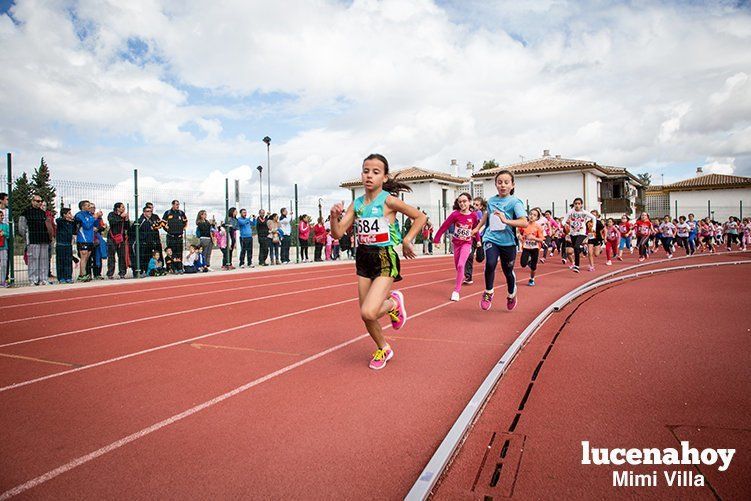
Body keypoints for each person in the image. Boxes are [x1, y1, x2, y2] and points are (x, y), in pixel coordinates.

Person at [330, 153, 426, 370]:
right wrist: (333, 216)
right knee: (366, 315)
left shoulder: (389, 200)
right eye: (366, 171)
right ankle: (384, 347)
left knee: (369, 311)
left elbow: (420, 217)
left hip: (384, 257)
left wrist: (408, 240)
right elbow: (337, 234)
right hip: (363, 258)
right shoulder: (356, 204)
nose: (369, 176)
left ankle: (393, 303)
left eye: (375, 172)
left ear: (384, 177)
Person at [472, 170, 528, 311]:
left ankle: (511, 294)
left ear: (512, 185)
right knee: (490, 264)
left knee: (507, 270)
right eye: (500, 182)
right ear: (496, 184)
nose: (503, 185)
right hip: (491, 238)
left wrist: (506, 220)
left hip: (508, 242)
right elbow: (487, 215)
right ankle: (488, 292)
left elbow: (524, 222)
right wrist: (477, 228)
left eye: (506, 182)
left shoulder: (515, 202)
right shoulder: (491, 201)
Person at [433, 192, 479, 301]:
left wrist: (478, 240)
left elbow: (476, 228)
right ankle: (460, 276)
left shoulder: (473, 215)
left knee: (461, 265)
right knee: (457, 267)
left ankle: (456, 291)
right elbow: (444, 226)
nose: (462, 204)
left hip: (467, 243)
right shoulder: (455, 215)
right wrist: (436, 239)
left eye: (464, 201)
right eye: (460, 202)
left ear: (469, 202)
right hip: (456, 244)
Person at [20, 194, 52, 285]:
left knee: (44, 260)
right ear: (32, 201)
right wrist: (26, 237)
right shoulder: (26, 212)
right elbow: (22, 227)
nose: (40, 203)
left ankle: (43, 279)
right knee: (33, 260)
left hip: (44, 239)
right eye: (37, 201)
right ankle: (33, 279)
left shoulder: (43, 213)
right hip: (33, 239)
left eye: (41, 201)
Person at [562, 198, 595, 273]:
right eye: (575, 203)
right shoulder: (570, 212)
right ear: (574, 204)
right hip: (573, 233)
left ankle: (577, 266)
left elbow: (593, 217)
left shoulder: (584, 212)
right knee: (575, 248)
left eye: (579, 203)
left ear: (581, 205)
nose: (577, 205)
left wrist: (593, 227)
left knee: (576, 247)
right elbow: (563, 221)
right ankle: (582, 249)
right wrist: (565, 224)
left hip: (581, 233)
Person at [518, 207, 544, 286]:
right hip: (526, 247)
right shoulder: (524, 225)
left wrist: (534, 238)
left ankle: (532, 279)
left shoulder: (538, 227)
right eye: (530, 214)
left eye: (534, 215)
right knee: (523, 264)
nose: (532, 216)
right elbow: (519, 232)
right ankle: (528, 262)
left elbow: (541, 240)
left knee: (533, 267)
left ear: (537, 218)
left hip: (535, 248)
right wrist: (519, 236)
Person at [73, 200, 97, 281]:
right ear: (82, 207)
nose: (89, 207)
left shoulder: (90, 215)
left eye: (90, 205)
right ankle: (83, 274)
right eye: (87, 205)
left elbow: (93, 225)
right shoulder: (79, 215)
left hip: (90, 239)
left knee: (87, 257)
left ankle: (81, 274)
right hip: (82, 239)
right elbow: (86, 225)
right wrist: (94, 218)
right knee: (83, 256)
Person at [107, 202, 130, 279]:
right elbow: (112, 222)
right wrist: (120, 217)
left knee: (122, 256)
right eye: (122, 207)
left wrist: (126, 220)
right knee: (111, 256)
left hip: (121, 238)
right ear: (118, 208)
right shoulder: (111, 214)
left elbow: (127, 227)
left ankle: (122, 273)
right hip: (112, 238)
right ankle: (110, 273)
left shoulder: (124, 216)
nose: (124, 209)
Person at [162, 200, 188, 265]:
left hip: (179, 237)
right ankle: (172, 267)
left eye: (178, 204)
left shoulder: (181, 213)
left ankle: (179, 266)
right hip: (171, 237)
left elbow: (185, 221)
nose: (177, 206)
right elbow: (163, 223)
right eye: (176, 204)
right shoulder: (167, 213)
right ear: (172, 205)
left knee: (179, 252)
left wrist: (182, 228)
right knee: (171, 253)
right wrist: (168, 230)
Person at [55, 208, 75, 283]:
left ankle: (68, 276)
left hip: (68, 245)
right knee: (61, 262)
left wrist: (71, 220)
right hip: (61, 245)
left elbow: (76, 223)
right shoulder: (60, 222)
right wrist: (66, 219)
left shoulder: (71, 223)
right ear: (64, 215)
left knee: (68, 261)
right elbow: (58, 220)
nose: (71, 215)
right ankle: (61, 277)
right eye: (69, 213)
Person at [0, 209, 9, 287]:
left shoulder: (5, 225)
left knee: (4, 265)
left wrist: (4, 233)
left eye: (2, 216)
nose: (2, 217)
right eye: (0, 216)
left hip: (3, 247)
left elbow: (9, 235)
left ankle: (3, 281)